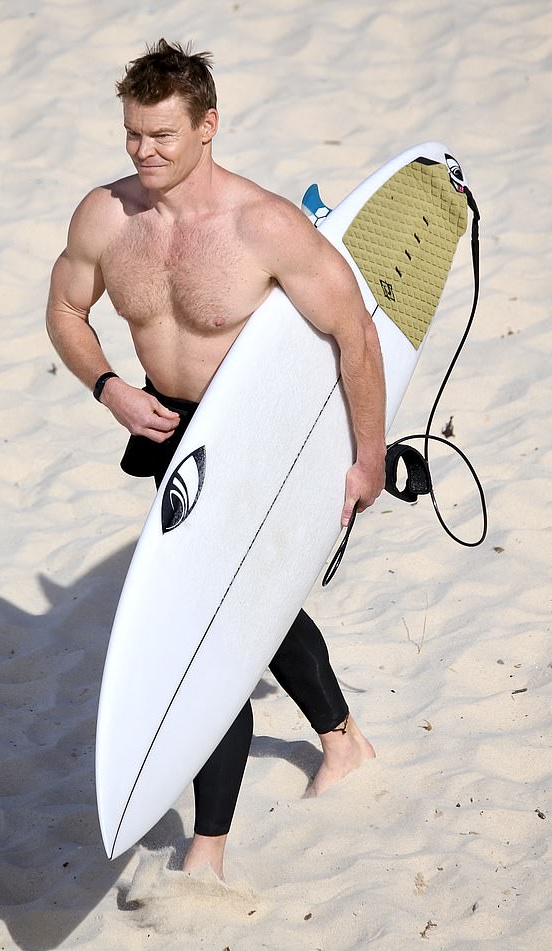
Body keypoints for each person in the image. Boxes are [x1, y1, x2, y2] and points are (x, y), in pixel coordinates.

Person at [46, 39, 386, 880]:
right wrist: (108, 388)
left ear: (208, 126)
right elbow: (64, 309)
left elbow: (355, 334)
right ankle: (343, 739)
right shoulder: (106, 216)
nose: (143, 151)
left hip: (256, 439)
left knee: (214, 623)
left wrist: (368, 456)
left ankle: (208, 850)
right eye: (132, 134)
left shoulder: (262, 225)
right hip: (171, 437)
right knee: (254, 606)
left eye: (162, 135)